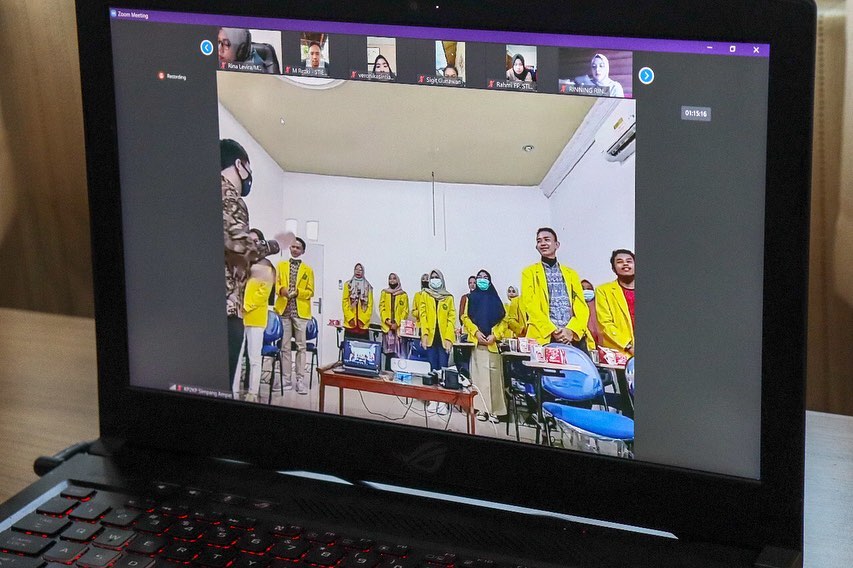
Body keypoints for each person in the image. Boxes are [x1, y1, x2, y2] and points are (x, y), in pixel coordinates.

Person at [222, 139, 264, 394]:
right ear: (239, 165)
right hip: (226, 307)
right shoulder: (230, 196)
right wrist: (271, 245)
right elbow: (241, 247)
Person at [520, 228, 589, 349]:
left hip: (571, 336)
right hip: (543, 335)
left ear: (557, 245)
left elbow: (581, 305)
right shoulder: (529, 273)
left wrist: (571, 330)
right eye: (539, 241)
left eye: (547, 240)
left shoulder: (571, 274)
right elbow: (530, 305)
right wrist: (552, 330)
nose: (543, 243)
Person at [461, 270, 507, 423]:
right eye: (479, 277)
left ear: (490, 280)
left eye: (485, 277)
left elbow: (503, 321)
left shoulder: (496, 299)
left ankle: (494, 411)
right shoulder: (471, 298)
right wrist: (476, 332)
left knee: (494, 379)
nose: (482, 280)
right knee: (479, 378)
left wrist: (495, 335)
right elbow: (465, 317)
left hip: (492, 344)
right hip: (478, 343)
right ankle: (481, 409)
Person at [237, 229, 276, 402]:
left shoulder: (266, 266)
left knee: (254, 358)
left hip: (255, 317)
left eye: (255, 241)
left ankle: (252, 392)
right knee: (237, 357)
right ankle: (234, 390)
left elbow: (263, 293)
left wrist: (246, 306)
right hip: (239, 316)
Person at [274, 237, 314, 394]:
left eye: (298, 248)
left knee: (301, 347)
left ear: (303, 251)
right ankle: (286, 379)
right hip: (284, 311)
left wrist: (298, 292)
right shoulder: (281, 265)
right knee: (284, 347)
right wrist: (281, 290)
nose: (295, 249)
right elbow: (276, 284)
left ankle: (300, 380)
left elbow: (310, 291)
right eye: (293, 247)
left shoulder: (308, 270)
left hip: (300, 313)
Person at [595, 249, 635, 355]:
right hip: (621, 352)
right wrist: (628, 346)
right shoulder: (603, 290)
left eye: (629, 261)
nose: (625, 264)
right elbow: (605, 323)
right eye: (620, 261)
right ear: (613, 268)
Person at [418, 269, 456, 371]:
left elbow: (451, 319)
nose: (434, 279)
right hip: (430, 338)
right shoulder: (425, 295)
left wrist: (449, 338)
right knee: (432, 369)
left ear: (442, 279)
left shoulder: (448, 297)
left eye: (437, 277)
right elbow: (423, 316)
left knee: (443, 368)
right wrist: (424, 335)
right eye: (432, 278)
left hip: (443, 339)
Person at [379, 273, 409, 366]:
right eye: (390, 279)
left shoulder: (403, 295)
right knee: (388, 353)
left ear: (398, 280)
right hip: (387, 328)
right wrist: (387, 320)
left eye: (394, 278)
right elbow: (382, 307)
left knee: (398, 354)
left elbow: (405, 311)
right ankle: (387, 371)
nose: (392, 281)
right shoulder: (384, 293)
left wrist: (397, 323)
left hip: (398, 329)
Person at [342, 263, 374, 339]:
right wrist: (350, 318)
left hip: (363, 326)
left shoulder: (368, 286)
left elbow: (370, 305)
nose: (358, 271)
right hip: (350, 324)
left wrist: (363, 319)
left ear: (363, 272)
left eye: (360, 270)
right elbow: (344, 302)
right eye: (356, 269)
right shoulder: (348, 284)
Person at [581, 279, 604, 348]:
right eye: (582, 289)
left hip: (603, 342)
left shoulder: (600, 304)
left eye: (589, 289)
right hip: (585, 344)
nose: (586, 291)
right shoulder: (575, 305)